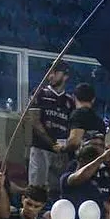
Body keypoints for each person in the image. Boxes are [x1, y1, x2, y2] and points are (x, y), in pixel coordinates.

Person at [28, 61, 73, 194]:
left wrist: (65, 147)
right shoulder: (40, 93)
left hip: (61, 152)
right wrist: (52, 144)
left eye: (55, 72)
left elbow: (72, 127)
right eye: (50, 72)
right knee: (36, 189)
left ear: (65, 76)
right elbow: (35, 121)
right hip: (41, 148)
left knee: (58, 190)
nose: (51, 75)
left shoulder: (70, 100)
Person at [64, 82, 107, 158]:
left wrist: (61, 148)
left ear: (74, 97)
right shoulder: (100, 121)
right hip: (94, 163)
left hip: (80, 162)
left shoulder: (78, 114)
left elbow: (74, 142)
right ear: (93, 99)